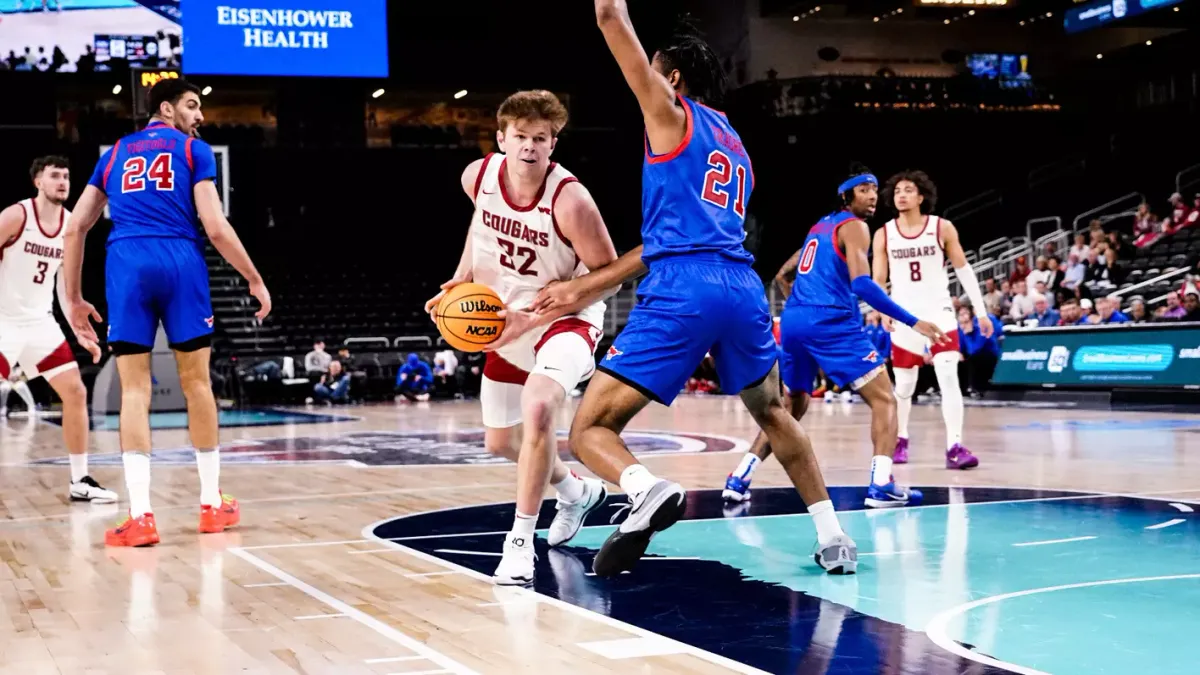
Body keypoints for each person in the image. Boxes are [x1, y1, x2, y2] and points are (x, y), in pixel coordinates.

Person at [530, 3, 858, 577]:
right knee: (774, 411)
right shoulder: (735, 144)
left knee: (589, 430)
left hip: (685, 288)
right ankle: (834, 538)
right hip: (741, 286)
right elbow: (669, 238)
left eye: (655, 70)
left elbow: (610, 16)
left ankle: (644, 487)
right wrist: (587, 286)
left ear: (672, 77)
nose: (647, 78)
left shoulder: (667, 112)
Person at [61, 78, 271, 547]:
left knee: (134, 388)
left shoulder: (113, 154)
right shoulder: (194, 152)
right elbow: (215, 227)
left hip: (127, 262)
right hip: (180, 259)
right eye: (193, 106)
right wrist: (254, 279)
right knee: (198, 383)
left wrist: (73, 299)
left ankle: (141, 517)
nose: (200, 116)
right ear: (167, 108)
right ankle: (212, 505)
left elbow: (76, 228)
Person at [424, 89, 615, 585]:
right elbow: (479, 226)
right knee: (498, 442)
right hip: (506, 318)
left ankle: (518, 543)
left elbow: (608, 275)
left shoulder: (570, 200)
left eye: (541, 138)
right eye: (521, 137)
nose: (530, 147)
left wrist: (535, 315)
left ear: (554, 143)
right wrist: (459, 280)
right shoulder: (478, 176)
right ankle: (576, 492)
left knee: (538, 409)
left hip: (565, 321)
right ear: (501, 137)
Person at [721, 166, 947, 508]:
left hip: (795, 320)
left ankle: (739, 476)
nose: (872, 196)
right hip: (830, 320)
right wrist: (913, 321)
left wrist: (801, 308)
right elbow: (861, 284)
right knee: (885, 399)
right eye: (863, 190)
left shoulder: (818, 228)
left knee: (790, 407)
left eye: (874, 189)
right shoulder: (854, 226)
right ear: (847, 196)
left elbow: (784, 275)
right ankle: (882, 484)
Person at [0, 156, 116, 503]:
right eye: (55, 176)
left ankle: (80, 480)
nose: (63, 181)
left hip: (39, 323)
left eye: (66, 176)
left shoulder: (71, 226)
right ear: (38, 181)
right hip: (4, 320)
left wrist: (78, 329)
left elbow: (67, 290)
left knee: (76, 392)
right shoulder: (16, 216)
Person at [874, 171, 984, 470]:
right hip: (904, 316)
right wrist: (882, 310)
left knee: (948, 376)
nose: (902, 195)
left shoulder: (941, 227)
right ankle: (901, 438)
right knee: (905, 386)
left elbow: (963, 269)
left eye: (908, 190)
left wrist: (981, 311)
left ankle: (955, 445)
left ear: (922, 196)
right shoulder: (884, 233)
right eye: (897, 191)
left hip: (939, 313)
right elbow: (878, 279)